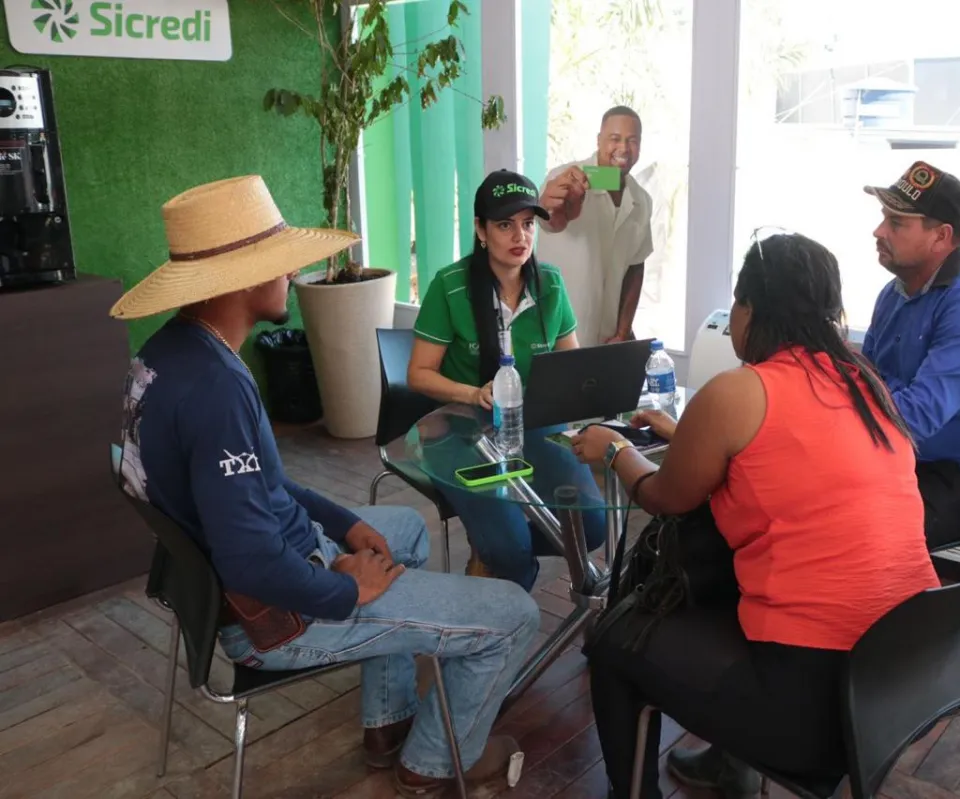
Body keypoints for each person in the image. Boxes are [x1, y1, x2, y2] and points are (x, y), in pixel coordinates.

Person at [109, 175, 540, 799]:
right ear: (246, 278)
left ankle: (387, 724)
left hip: (252, 574)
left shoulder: (171, 352)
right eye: (282, 265)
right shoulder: (217, 392)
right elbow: (250, 559)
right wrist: (342, 588)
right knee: (516, 614)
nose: (293, 275)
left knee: (406, 528)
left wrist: (344, 525)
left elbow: (268, 486)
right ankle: (433, 764)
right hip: (276, 613)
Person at [569, 232, 940, 799]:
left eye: (736, 304)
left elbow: (666, 496)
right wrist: (685, 434)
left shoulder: (738, 392)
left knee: (612, 642)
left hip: (813, 716)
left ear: (750, 309)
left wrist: (614, 450)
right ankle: (727, 766)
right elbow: (790, 459)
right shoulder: (865, 383)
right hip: (902, 685)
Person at [408, 168, 607, 590]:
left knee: (593, 528)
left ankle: (499, 548)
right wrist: (473, 392)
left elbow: (572, 367)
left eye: (528, 224)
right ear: (480, 230)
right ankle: (504, 564)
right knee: (511, 548)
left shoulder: (549, 284)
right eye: (504, 224)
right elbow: (419, 374)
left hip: (535, 424)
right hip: (460, 432)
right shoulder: (450, 286)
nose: (520, 236)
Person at [861, 161, 960, 550]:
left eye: (897, 223)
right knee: (794, 497)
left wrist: (876, 386)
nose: (879, 231)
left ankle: (912, 610)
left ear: (941, 237)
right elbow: (865, 379)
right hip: (906, 461)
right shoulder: (895, 292)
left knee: (851, 533)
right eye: (884, 217)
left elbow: (915, 417)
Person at [537, 105, 653, 346]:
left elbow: (635, 266)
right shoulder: (565, 178)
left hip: (608, 338)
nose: (623, 148)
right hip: (557, 334)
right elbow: (549, 221)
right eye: (615, 139)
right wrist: (552, 209)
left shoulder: (640, 199)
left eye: (632, 141)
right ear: (599, 140)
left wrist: (623, 331)